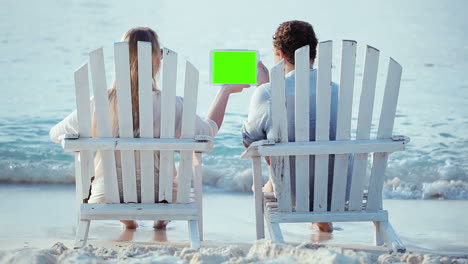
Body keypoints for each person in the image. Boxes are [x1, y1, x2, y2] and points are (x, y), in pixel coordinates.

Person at [49, 27, 248, 229]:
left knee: (110, 174)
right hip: (162, 195)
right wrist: (226, 90)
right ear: (156, 60)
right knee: (176, 172)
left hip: (108, 194)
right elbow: (209, 132)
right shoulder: (173, 104)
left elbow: (56, 134)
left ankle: (127, 219)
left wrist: (92, 137)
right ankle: (160, 220)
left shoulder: (99, 103)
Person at [242, 20, 338, 233]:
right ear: (313, 53)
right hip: (337, 191)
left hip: (290, 194)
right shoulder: (336, 90)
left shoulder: (267, 92)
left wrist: (263, 87)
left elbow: (249, 141)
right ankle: (322, 221)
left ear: (281, 55)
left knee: (266, 159)